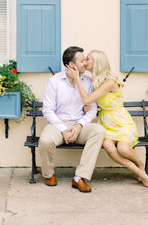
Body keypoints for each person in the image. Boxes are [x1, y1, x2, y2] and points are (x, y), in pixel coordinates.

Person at [65, 50, 148, 188]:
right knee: (108, 146)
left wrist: (77, 79)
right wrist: (88, 107)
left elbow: (86, 99)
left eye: (88, 59)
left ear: (97, 63)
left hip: (120, 122)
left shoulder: (109, 82)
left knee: (123, 149)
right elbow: (90, 102)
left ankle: (140, 166)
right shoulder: (94, 82)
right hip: (106, 123)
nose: (85, 61)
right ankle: (139, 172)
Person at [39, 46, 106, 193]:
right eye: (82, 61)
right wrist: (63, 130)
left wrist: (79, 125)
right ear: (71, 65)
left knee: (99, 131)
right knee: (45, 141)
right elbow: (48, 111)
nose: (85, 64)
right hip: (58, 124)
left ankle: (79, 177)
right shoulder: (54, 82)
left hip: (79, 124)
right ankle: (49, 174)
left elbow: (92, 109)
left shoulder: (88, 82)